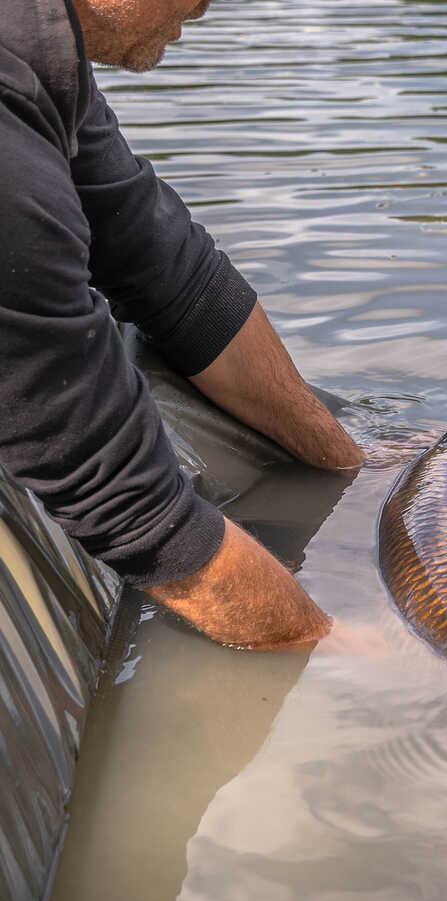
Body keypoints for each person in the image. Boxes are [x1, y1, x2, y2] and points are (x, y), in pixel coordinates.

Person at [0, 0, 364, 649]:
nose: (206, 5)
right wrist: (343, 647)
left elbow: (171, 271)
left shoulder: (45, 57)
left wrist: (353, 462)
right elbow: (129, 510)